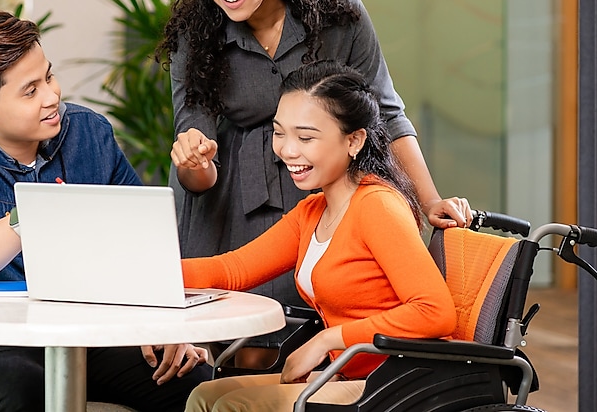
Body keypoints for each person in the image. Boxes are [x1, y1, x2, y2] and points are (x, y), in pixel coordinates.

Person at [160, 0, 468, 354]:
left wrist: (427, 200)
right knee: (232, 333)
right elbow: (198, 162)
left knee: (311, 316)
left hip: (326, 183)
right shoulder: (197, 29)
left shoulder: (336, 11)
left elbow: (384, 112)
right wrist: (195, 161)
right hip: (229, 194)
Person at [0, 11, 212, 412]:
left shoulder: (89, 132)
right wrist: (36, 211)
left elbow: (141, 242)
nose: (52, 96)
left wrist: (166, 326)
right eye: (30, 91)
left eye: (49, 77)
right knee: (23, 393)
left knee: (196, 385)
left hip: (90, 331)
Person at [180, 60, 457, 411]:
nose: (287, 150)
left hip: (399, 381)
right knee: (205, 396)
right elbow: (233, 269)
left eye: (306, 137)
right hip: (349, 372)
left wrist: (326, 340)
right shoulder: (314, 211)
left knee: (230, 407)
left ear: (355, 140)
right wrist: (148, 275)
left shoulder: (377, 206)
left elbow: (435, 312)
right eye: (279, 133)